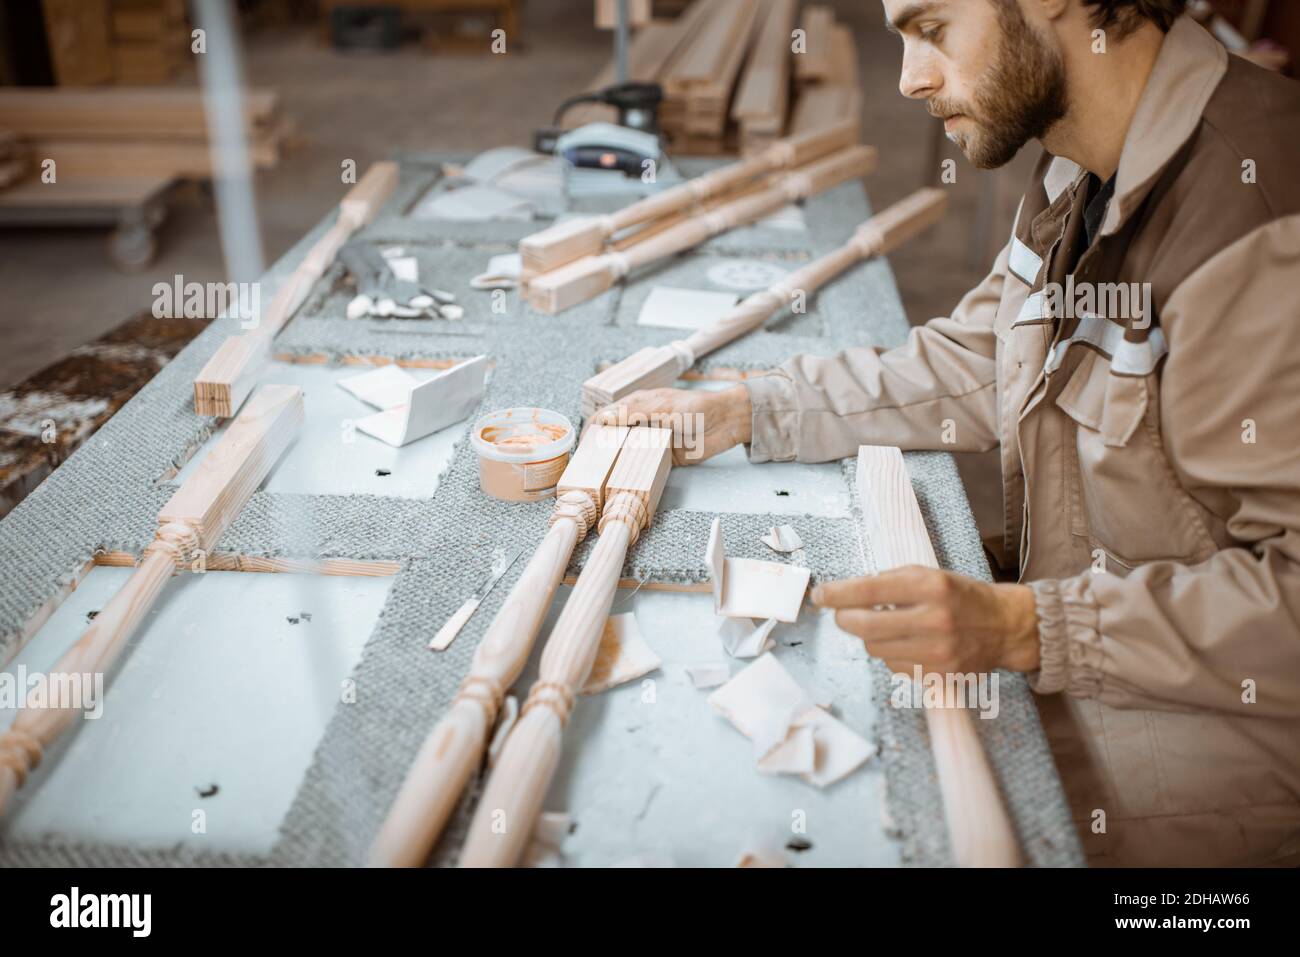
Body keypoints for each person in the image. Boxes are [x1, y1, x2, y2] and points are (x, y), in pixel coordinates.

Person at [596, 0, 1300, 866]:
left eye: (932, 31)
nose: (909, 80)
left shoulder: (1257, 218)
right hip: (1090, 667)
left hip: (1210, 776)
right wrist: (756, 406)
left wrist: (1023, 629)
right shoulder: (1076, 166)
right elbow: (980, 361)